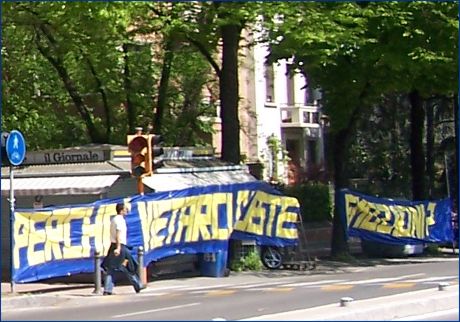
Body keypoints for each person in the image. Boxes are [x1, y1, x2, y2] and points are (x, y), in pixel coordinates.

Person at [101, 202, 145, 295]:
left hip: (115, 245)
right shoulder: (119, 220)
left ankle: (107, 289)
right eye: (125, 209)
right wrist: (118, 248)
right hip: (119, 246)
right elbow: (118, 234)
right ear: (121, 210)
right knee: (128, 266)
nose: (127, 211)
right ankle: (138, 285)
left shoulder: (114, 219)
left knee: (112, 268)